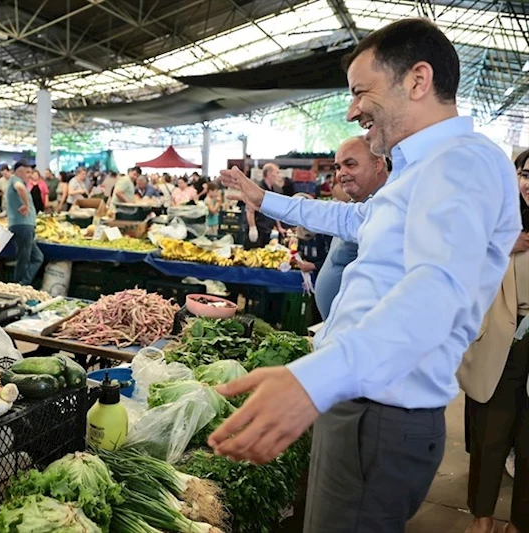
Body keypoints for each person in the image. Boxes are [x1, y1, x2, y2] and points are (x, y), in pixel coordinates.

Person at [211, 18, 521, 533]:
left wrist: (314, 382)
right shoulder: (421, 170)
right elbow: (352, 219)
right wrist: (266, 200)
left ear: (417, 81)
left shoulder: (461, 163)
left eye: (361, 92)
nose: (353, 109)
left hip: (378, 414)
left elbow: (435, 290)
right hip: (364, 404)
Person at [458, 149, 529, 533]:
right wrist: (502, 244)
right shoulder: (493, 218)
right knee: (490, 434)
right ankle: (482, 517)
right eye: (527, 174)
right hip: (498, 341)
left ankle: (520, 522)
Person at [313, 136, 389, 321]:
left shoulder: (387, 211)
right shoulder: (355, 207)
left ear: (377, 165)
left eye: (350, 164)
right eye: (338, 167)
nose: (341, 174)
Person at [7, 162, 43, 285]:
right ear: (19, 171)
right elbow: (20, 188)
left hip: (25, 226)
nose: (30, 175)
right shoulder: (16, 180)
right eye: (27, 172)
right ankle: (19, 286)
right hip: (22, 226)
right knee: (24, 259)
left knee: (38, 257)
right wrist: (26, 205)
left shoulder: (19, 182)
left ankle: (23, 283)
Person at [245, 163, 284, 248]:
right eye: (277, 172)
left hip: (268, 228)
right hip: (257, 227)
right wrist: (252, 227)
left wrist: (279, 227)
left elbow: (275, 210)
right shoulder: (257, 189)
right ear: (269, 174)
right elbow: (249, 209)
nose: (278, 175)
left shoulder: (277, 190)